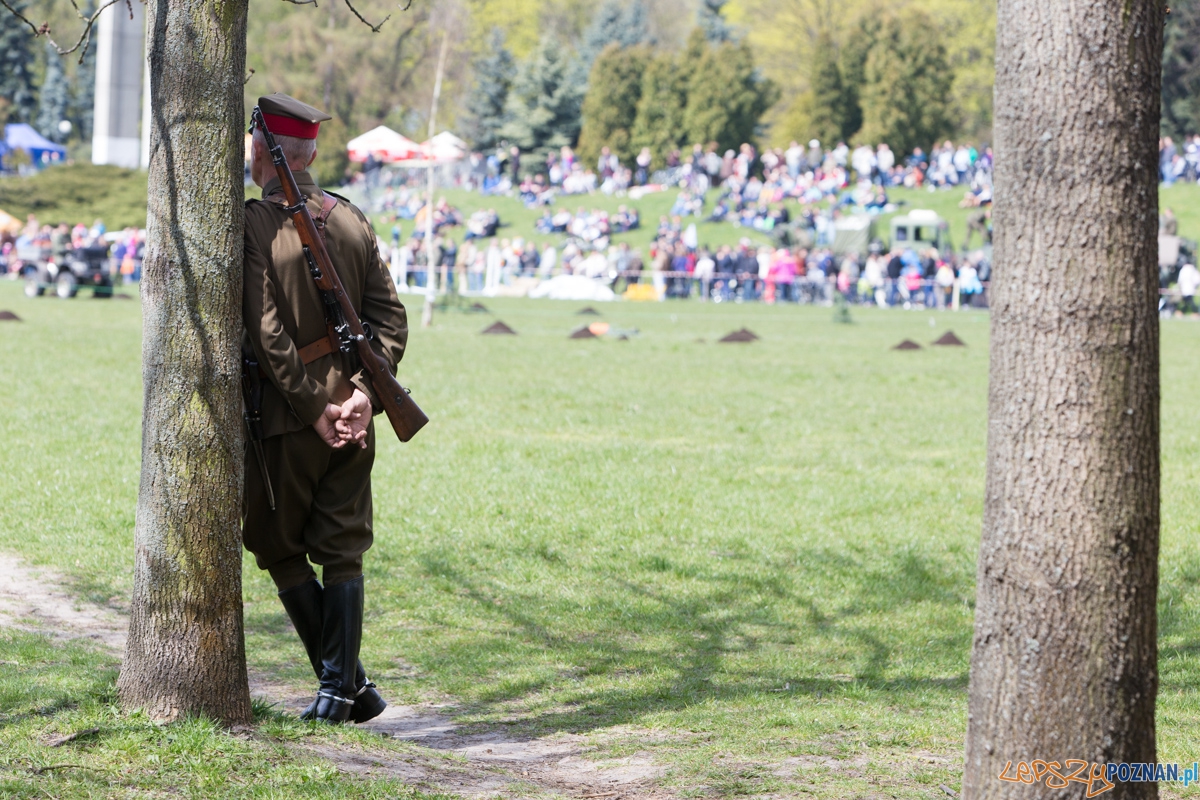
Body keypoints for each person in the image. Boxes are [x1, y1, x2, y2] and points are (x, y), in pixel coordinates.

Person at [242, 93, 408, 724]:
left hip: (288, 416)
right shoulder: (352, 218)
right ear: (310, 156)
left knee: (276, 544)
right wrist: (363, 394)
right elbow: (390, 318)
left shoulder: (256, 224)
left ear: (265, 153)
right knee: (343, 549)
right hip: (355, 414)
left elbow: (266, 333)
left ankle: (342, 690)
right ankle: (346, 690)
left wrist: (315, 406)